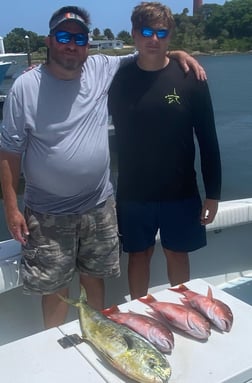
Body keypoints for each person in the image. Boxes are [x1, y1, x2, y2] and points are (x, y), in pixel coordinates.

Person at [0, 5, 208, 328]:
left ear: (88, 43)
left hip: (98, 206)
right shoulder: (25, 88)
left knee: (95, 279)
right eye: (64, 36)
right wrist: (12, 209)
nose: (72, 44)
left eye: (80, 38)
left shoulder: (102, 67)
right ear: (49, 40)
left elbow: (148, 54)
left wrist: (179, 52)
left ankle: (96, 337)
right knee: (55, 288)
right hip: (46, 212)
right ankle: (55, 359)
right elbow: (9, 153)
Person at [108, 1, 221, 299]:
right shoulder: (116, 79)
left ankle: (181, 312)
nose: (153, 39)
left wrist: (213, 192)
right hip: (134, 192)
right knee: (138, 255)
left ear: (170, 35)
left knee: (177, 253)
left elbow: (208, 138)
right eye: (146, 31)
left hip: (180, 190)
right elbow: (74, 75)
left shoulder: (190, 78)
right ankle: (139, 312)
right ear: (134, 34)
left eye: (161, 32)